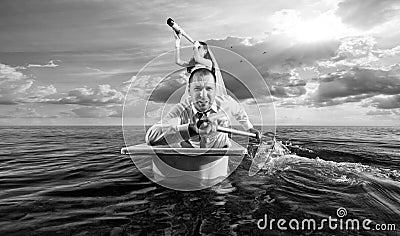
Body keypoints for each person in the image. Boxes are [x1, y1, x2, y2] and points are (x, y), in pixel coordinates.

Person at [146, 68, 260, 148]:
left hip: (221, 148)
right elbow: (151, 137)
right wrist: (192, 129)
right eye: (197, 89)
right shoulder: (181, 110)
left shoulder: (227, 103)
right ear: (189, 90)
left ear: (215, 90)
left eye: (209, 89)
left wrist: (249, 129)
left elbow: (240, 113)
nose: (203, 95)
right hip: (195, 151)